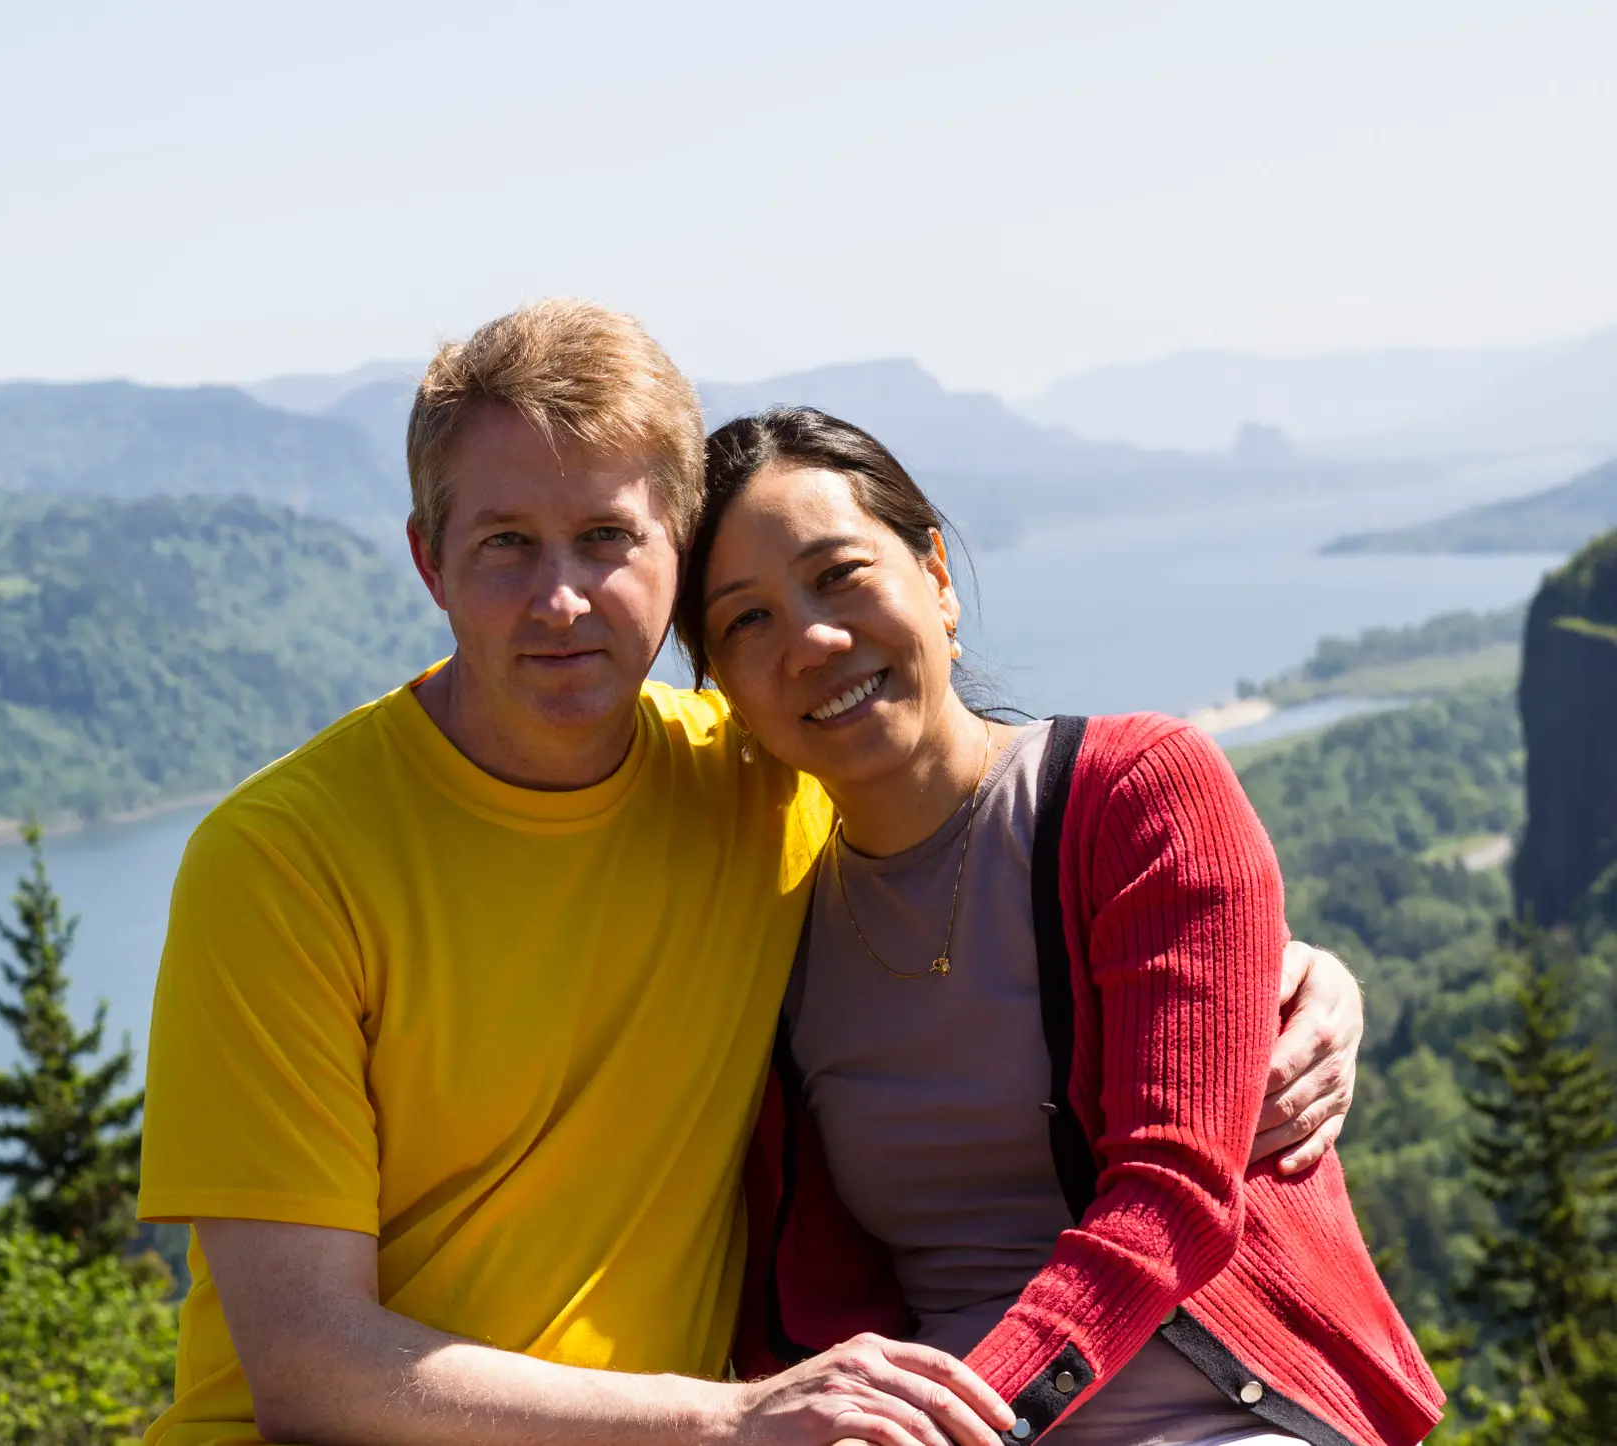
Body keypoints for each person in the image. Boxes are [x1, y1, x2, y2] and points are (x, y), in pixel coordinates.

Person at [138, 300, 1366, 1446]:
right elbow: (303, 1363)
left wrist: (1295, 976)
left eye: (608, 537)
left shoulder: (758, 777)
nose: (560, 598)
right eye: (507, 543)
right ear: (428, 561)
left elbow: (1033, 870)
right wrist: (726, 1422)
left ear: (670, 553)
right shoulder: (283, 862)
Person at [671, 407, 1445, 1446]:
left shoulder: (1131, 793)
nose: (809, 640)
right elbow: (806, 1302)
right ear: (720, 686)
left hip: (1206, 1417)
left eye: (838, 574)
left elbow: (1171, 1197)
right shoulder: (771, 930)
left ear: (935, 577)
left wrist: (969, 1424)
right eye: (745, 620)